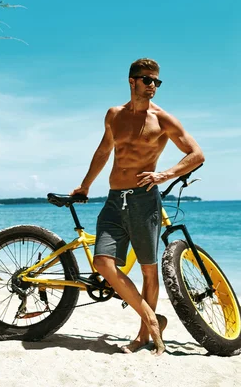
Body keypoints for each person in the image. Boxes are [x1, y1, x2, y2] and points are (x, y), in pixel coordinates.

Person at [70, 58, 204, 356]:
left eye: (157, 81)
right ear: (132, 81)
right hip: (114, 198)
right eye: (147, 80)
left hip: (144, 200)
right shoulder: (114, 114)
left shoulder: (163, 119)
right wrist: (85, 185)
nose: (153, 86)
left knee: (148, 269)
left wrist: (163, 174)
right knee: (102, 263)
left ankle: (144, 334)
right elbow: (104, 150)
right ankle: (152, 318)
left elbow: (196, 155)